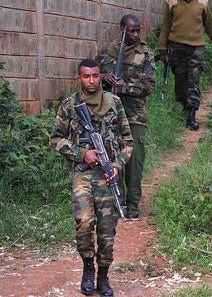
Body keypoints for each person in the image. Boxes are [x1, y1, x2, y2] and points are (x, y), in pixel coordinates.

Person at [50, 59, 133, 296]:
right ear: (79, 78)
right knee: (84, 222)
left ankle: (103, 276)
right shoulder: (70, 106)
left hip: (108, 177)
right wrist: (82, 153)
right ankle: (88, 269)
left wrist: (117, 164)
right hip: (83, 174)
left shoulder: (114, 103)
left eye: (95, 76)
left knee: (107, 230)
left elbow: (128, 142)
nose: (92, 81)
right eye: (86, 76)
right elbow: (56, 139)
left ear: (101, 76)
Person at [96, 14, 157, 220]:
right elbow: (93, 79)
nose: (136, 34)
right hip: (110, 115)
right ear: (122, 29)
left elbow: (149, 86)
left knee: (135, 160)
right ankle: (117, 200)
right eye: (131, 30)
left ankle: (132, 203)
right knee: (113, 158)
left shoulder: (145, 52)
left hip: (135, 115)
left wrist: (123, 86)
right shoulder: (107, 52)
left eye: (138, 30)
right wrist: (105, 78)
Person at [157, 0, 212, 131]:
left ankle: (192, 115)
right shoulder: (172, 1)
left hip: (196, 49)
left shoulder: (202, 2)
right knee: (181, 82)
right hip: (176, 48)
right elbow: (165, 26)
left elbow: (210, 26)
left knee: (193, 81)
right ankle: (184, 106)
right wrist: (162, 49)